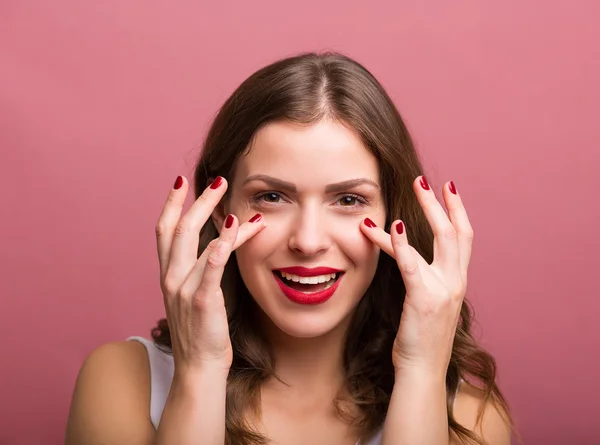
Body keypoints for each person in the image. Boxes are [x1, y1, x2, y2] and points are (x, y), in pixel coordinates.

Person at [65, 52, 518, 445]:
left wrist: (422, 373)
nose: (307, 241)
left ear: (391, 215)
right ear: (220, 212)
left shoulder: (470, 423)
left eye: (348, 200)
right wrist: (199, 373)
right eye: (272, 196)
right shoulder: (123, 384)